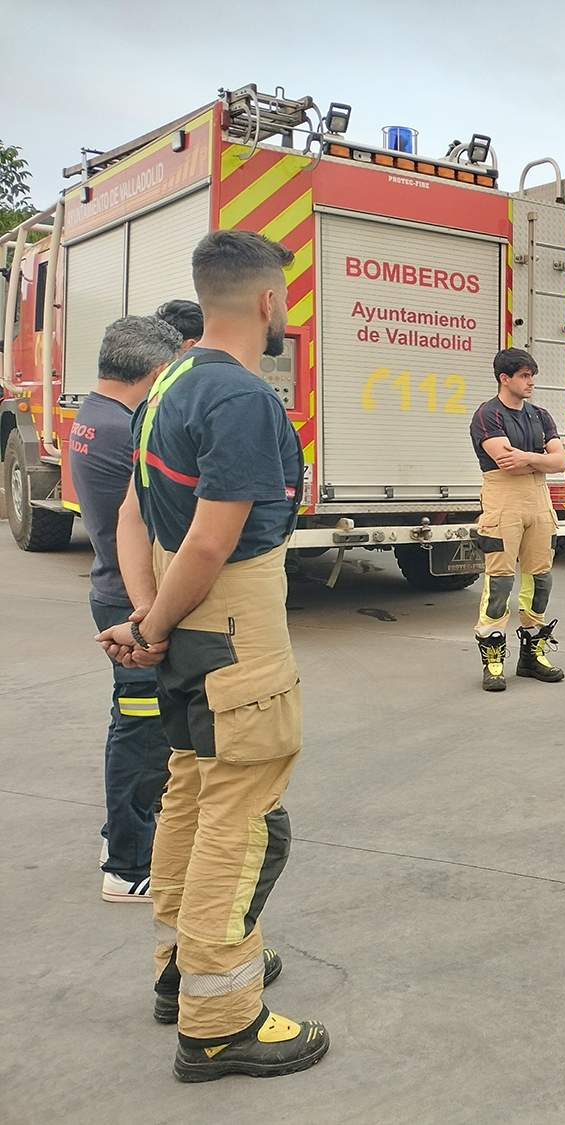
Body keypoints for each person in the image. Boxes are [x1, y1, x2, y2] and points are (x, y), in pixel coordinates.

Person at [99, 230, 328, 1079]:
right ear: (267, 301)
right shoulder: (241, 398)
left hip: (178, 623)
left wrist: (142, 612)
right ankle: (220, 1019)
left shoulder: (166, 386)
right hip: (231, 628)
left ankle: (178, 970)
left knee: (191, 795)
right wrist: (155, 619)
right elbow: (211, 540)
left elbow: (129, 513)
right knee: (248, 819)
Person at [72, 316, 180, 902]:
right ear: (157, 369)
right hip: (128, 597)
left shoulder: (95, 415)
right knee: (141, 730)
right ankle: (127, 864)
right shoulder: (126, 429)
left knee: (135, 722)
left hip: (111, 587)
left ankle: (122, 836)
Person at [470, 347, 565, 691]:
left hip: (539, 502)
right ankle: (493, 658)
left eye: (532, 376)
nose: (531, 382)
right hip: (503, 502)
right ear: (505, 378)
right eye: (524, 376)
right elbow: (504, 462)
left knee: (540, 578)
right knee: (499, 581)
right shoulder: (488, 415)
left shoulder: (540, 415)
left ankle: (532, 654)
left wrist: (528, 457)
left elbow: (562, 463)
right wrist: (542, 457)